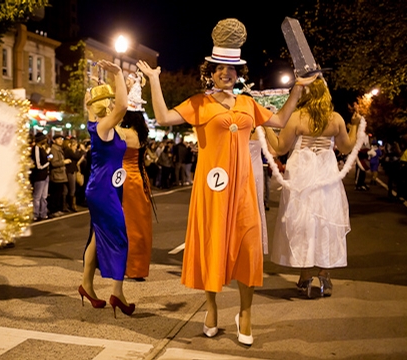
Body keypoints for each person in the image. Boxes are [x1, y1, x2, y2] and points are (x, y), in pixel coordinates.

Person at [137, 18, 316, 345]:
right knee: (213, 247)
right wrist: (153, 81)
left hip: (244, 189)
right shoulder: (199, 103)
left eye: (231, 69)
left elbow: (278, 120)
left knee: (247, 249)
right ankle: (212, 307)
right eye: (219, 67)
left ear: (238, 73)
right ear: (211, 70)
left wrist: (297, 91)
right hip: (211, 191)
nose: (225, 73)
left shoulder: (248, 104)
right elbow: (162, 118)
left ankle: (245, 313)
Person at [265, 78, 363, 299]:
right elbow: (347, 147)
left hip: (301, 175)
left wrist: (266, 125)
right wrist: (355, 124)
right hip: (327, 175)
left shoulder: (297, 118)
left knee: (303, 223)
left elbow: (280, 148)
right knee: (325, 221)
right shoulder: (336, 119)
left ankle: (305, 275)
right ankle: (324, 275)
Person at [79, 59, 133, 317]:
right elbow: (122, 106)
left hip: (103, 187)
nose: (114, 103)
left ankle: (86, 285)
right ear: (106, 106)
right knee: (120, 239)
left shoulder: (99, 126)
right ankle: (117, 292)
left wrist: (120, 85)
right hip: (103, 190)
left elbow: (120, 108)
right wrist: (118, 74)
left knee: (97, 236)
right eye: (110, 101)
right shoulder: (103, 127)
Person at [117, 73, 154, 281]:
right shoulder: (140, 133)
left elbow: (106, 128)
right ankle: (136, 266)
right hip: (140, 177)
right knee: (139, 224)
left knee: (129, 224)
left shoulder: (125, 133)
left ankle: (130, 266)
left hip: (128, 180)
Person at [31, 132, 50, 221]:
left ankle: (43, 213)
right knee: (37, 196)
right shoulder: (36, 149)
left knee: (44, 196)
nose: (45, 140)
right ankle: (36, 214)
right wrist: (48, 163)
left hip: (45, 175)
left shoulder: (41, 148)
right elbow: (38, 165)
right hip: (39, 175)